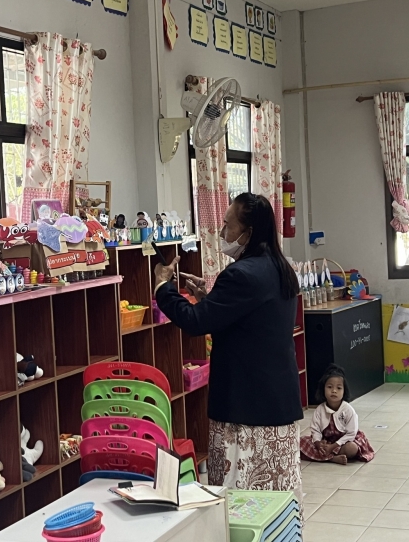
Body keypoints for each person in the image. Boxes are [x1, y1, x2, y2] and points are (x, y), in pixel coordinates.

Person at [153, 193, 303, 498]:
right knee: (276, 495)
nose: (222, 233)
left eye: (228, 226)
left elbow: (195, 322)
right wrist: (210, 299)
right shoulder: (281, 268)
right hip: (278, 403)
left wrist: (163, 287)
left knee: (240, 497)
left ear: (249, 232)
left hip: (245, 410)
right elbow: (250, 321)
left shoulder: (241, 274)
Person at [300, 364, 374, 465]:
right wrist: (318, 444)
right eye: (329, 387)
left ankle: (327, 456)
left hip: (344, 442)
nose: (334, 391)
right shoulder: (319, 410)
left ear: (344, 391)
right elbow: (315, 430)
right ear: (323, 389)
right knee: (299, 442)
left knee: (352, 448)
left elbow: (351, 434)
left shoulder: (348, 410)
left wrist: (333, 446)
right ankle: (333, 458)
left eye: (339, 388)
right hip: (326, 442)